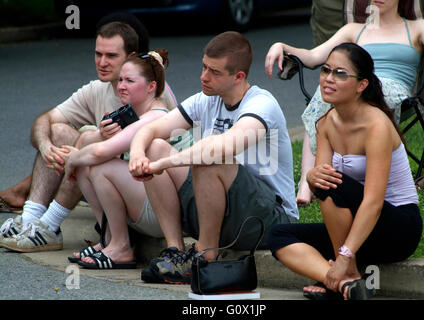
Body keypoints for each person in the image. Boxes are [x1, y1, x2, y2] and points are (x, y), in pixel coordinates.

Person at [128, 31, 298, 284]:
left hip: (268, 220)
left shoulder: (262, 104)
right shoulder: (206, 99)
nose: (203, 77)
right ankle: (175, 252)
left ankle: (204, 256)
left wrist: (161, 165)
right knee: (155, 146)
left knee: (210, 158)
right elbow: (150, 129)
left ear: (238, 77)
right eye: (204, 67)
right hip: (221, 211)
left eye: (214, 72)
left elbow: (220, 148)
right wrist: (138, 156)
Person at [0, 21, 177, 252]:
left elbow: (109, 152)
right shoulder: (97, 89)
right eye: (98, 54)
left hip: (149, 193)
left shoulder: (153, 98)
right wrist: (46, 147)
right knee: (59, 132)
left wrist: (83, 150)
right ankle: (31, 220)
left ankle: (51, 226)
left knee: (90, 149)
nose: (102, 63)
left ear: (132, 58)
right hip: (118, 181)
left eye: (111, 56)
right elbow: (45, 121)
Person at [267, 42, 423, 300]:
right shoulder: (326, 123)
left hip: (397, 229)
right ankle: (345, 285)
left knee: (331, 182)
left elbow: (372, 202)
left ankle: (343, 272)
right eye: (326, 70)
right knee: (279, 234)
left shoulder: (377, 126)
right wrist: (309, 176)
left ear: (362, 85)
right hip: (354, 233)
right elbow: (321, 182)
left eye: (340, 73)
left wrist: (344, 256)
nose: (328, 79)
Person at [265, 0, 424, 206]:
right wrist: (280, 45)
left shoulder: (417, 26)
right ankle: (307, 183)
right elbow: (314, 56)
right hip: (352, 87)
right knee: (328, 88)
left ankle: (319, 178)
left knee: (341, 88)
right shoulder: (354, 30)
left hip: (393, 93)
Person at [60, 51, 190, 268]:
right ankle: (109, 239)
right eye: (120, 79)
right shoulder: (133, 115)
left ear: (151, 87)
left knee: (100, 167)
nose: (121, 85)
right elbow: (88, 144)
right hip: (146, 203)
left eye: (130, 80)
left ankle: (121, 247)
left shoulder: (157, 115)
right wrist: (98, 137)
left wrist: (72, 160)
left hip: (167, 212)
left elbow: (100, 153)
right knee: (88, 165)